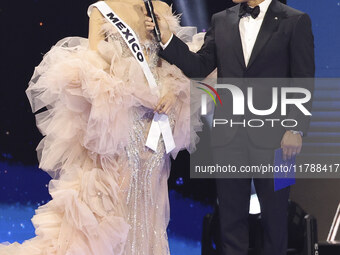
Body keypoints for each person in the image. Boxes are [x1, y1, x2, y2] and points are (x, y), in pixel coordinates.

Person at [0, 0, 204, 254]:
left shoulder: (160, 7)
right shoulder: (102, 9)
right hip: (120, 121)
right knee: (116, 195)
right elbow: (93, 67)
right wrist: (136, 95)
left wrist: (172, 91)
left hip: (156, 123)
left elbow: (173, 60)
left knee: (149, 196)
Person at [145, 0, 315, 254]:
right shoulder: (221, 20)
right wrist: (167, 38)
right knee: (230, 222)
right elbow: (199, 67)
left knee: (276, 220)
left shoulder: (296, 20)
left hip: (279, 139)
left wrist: (296, 128)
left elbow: (303, 79)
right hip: (229, 138)